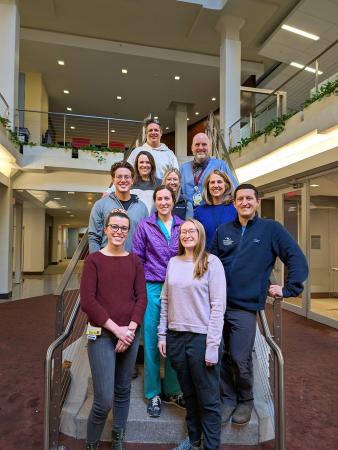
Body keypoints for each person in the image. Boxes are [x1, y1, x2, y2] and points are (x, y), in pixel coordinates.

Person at [210, 183, 309, 426]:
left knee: (240, 357)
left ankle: (246, 399)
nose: (244, 202)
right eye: (239, 199)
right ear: (233, 203)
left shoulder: (271, 230)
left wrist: (289, 288)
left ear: (257, 202)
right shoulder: (223, 230)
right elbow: (210, 263)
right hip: (217, 305)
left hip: (244, 307)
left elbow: (295, 257)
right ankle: (228, 399)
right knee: (219, 354)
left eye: (249, 198)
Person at [80, 209, 147, 450]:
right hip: (102, 335)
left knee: (123, 390)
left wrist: (129, 329)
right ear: (106, 229)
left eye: (123, 228)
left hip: (129, 332)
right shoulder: (93, 261)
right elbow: (88, 301)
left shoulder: (134, 261)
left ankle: (118, 435)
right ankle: (92, 442)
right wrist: (117, 331)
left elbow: (142, 298)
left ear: (128, 232)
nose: (119, 231)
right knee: (103, 399)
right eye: (114, 227)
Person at [158, 219, 226, 450]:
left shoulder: (211, 262)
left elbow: (218, 306)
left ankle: (211, 446)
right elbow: (165, 300)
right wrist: (161, 335)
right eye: (183, 231)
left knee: (208, 399)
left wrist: (212, 345)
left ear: (200, 235)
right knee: (188, 394)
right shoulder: (173, 262)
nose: (187, 234)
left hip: (202, 339)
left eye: (192, 231)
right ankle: (194, 439)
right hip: (176, 337)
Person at [132, 185, 183, 418]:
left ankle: (173, 389)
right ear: (155, 202)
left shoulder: (183, 226)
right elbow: (137, 259)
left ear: (173, 201)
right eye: (159, 198)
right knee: (152, 339)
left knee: (174, 338)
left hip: (178, 287)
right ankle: (153, 392)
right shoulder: (145, 225)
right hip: (152, 286)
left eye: (167, 198)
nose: (163, 202)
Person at [88, 161, 148, 253]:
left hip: (132, 262)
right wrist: (96, 262)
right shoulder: (100, 205)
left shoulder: (142, 207)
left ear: (132, 180)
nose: (123, 180)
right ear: (113, 180)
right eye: (119, 177)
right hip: (106, 262)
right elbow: (94, 237)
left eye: (127, 177)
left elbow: (145, 238)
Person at [180, 133, 236, 208]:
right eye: (197, 144)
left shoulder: (220, 165)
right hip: (188, 215)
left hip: (213, 212)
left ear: (209, 147)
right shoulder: (183, 169)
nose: (200, 147)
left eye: (204, 144)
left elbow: (234, 189)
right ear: (192, 148)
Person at [194, 170, 237, 250]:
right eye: (212, 182)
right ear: (207, 186)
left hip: (232, 258)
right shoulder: (199, 212)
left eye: (219, 182)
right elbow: (197, 239)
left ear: (226, 185)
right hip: (208, 259)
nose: (216, 185)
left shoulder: (236, 208)